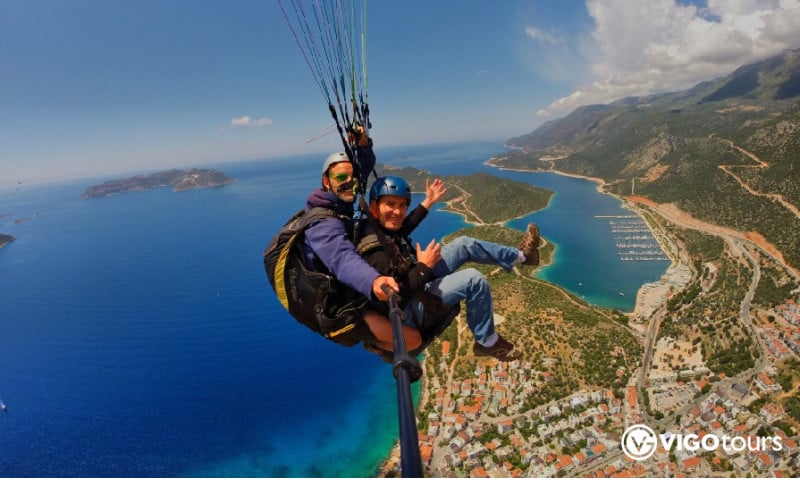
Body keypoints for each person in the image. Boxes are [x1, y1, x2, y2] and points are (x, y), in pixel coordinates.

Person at [357, 175, 541, 361]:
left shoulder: (381, 229)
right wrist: (423, 267)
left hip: (418, 278)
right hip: (410, 308)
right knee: (473, 279)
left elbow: (406, 224)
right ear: (374, 206)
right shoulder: (374, 253)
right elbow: (396, 296)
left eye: (402, 205)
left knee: (464, 244)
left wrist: (428, 201)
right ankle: (487, 342)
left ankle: (523, 256)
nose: (397, 212)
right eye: (390, 204)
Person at [302, 152, 423, 353]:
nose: (349, 182)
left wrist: (363, 145)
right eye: (341, 177)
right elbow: (342, 258)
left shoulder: (340, 204)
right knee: (414, 340)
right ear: (326, 182)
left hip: (351, 292)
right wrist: (373, 280)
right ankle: (375, 346)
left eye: (353, 178)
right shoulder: (322, 224)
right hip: (341, 309)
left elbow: (362, 169)